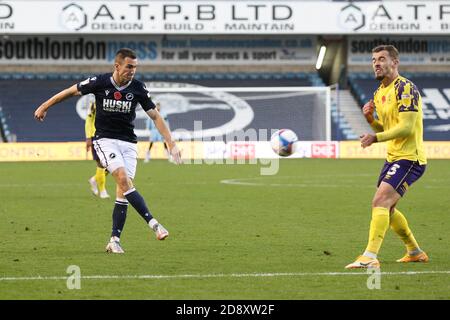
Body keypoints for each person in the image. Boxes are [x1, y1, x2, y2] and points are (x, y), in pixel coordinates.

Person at [34, 48, 182, 254]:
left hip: (129, 144)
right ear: (117, 66)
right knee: (122, 179)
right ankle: (154, 224)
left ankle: (114, 240)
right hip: (105, 141)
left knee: (123, 191)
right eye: (129, 67)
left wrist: (171, 143)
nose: (132, 71)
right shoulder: (100, 82)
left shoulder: (138, 88)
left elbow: (156, 117)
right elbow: (70, 91)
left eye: (135, 67)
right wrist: (45, 105)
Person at [345, 45, 428, 269]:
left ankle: (370, 256)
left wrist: (375, 137)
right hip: (393, 158)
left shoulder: (406, 89)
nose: (377, 63)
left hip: (410, 159)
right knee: (387, 208)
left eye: (382, 59)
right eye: (373, 60)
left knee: (380, 202)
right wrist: (371, 119)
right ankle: (414, 251)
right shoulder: (379, 92)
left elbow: (408, 128)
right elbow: (389, 126)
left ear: (395, 62)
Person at [85, 98, 110, 199]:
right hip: (95, 136)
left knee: (111, 165)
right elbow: (89, 121)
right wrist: (88, 137)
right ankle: (102, 191)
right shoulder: (94, 104)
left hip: (108, 136)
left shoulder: (110, 103)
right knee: (101, 163)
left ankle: (94, 180)